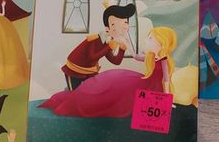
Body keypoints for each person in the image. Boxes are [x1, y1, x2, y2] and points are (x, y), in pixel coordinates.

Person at [40, 26, 178, 118]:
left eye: (150, 38)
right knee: (114, 79)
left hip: (151, 88)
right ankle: (84, 96)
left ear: (162, 43)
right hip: (144, 82)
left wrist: (167, 98)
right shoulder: (151, 56)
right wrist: (126, 45)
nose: (147, 41)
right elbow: (136, 57)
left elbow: (166, 80)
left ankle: (88, 100)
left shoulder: (164, 60)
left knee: (120, 89)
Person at [61, 3, 133, 90]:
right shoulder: (95, 39)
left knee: (97, 89)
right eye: (115, 24)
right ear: (107, 28)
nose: (123, 27)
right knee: (74, 94)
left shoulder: (108, 41)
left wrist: (122, 49)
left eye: (125, 22)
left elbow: (115, 61)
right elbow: (91, 57)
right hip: (74, 70)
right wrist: (108, 47)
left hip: (90, 71)